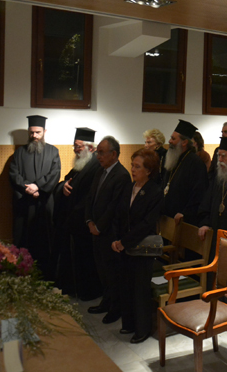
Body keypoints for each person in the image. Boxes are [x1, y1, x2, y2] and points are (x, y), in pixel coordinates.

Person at [111, 149, 162, 344]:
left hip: (142, 249)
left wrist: (124, 242)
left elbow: (146, 224)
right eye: (132, 165)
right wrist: (116, 239)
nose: (132, 169)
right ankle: (129, 323)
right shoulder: (129, 187)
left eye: (137, 167)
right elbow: (119, 215)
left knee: (140, 289)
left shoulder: (154, 192)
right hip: (124, 245)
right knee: (126, 286)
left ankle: (142, 329)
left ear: (148, 170)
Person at [52, 127, 103, 300]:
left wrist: (73, 216)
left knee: (85, 260)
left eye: (78, 146)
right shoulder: (81, 163)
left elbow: (90, 197)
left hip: (84, 222)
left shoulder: (96, 166)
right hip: (74, 219)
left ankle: (86, 291)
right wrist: (63, 186)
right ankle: (73, 288)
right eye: (74, 146)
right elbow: (66, 180)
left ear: (91, 148)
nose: (75, 150)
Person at [85, 136, 131, 324]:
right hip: (96, 230)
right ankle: (106, 301)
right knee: (102, 270)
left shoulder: (122, 175)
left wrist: (99, 227)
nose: (98, 156)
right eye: (98, 152)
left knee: (112, 272)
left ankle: (115, 308)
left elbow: (114, 207)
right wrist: (89, 221)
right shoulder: (100, 171)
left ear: (114, 154)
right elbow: (91, 198)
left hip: (110, 233)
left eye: (102, 152)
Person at [9, 115, 61, 280]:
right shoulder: (19, 153)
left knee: (45, 239)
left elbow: (55, 174)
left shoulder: (53, 151)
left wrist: (38, 187)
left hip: (44, 204)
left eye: (38, 132)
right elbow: (14, 175)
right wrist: (29, 189)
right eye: (31, 132)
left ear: (44, 131)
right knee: (23, 239)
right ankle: (22, 274)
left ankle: (46, 276)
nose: (34, 136)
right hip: (25, 204)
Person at [161, 120, 209, 225]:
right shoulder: (172, 159)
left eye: (173, 139)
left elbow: (199, 194)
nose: (169, 141)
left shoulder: (196, 163)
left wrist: (185, 213)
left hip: (184, 221)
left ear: (184, 142)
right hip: (167, 219)